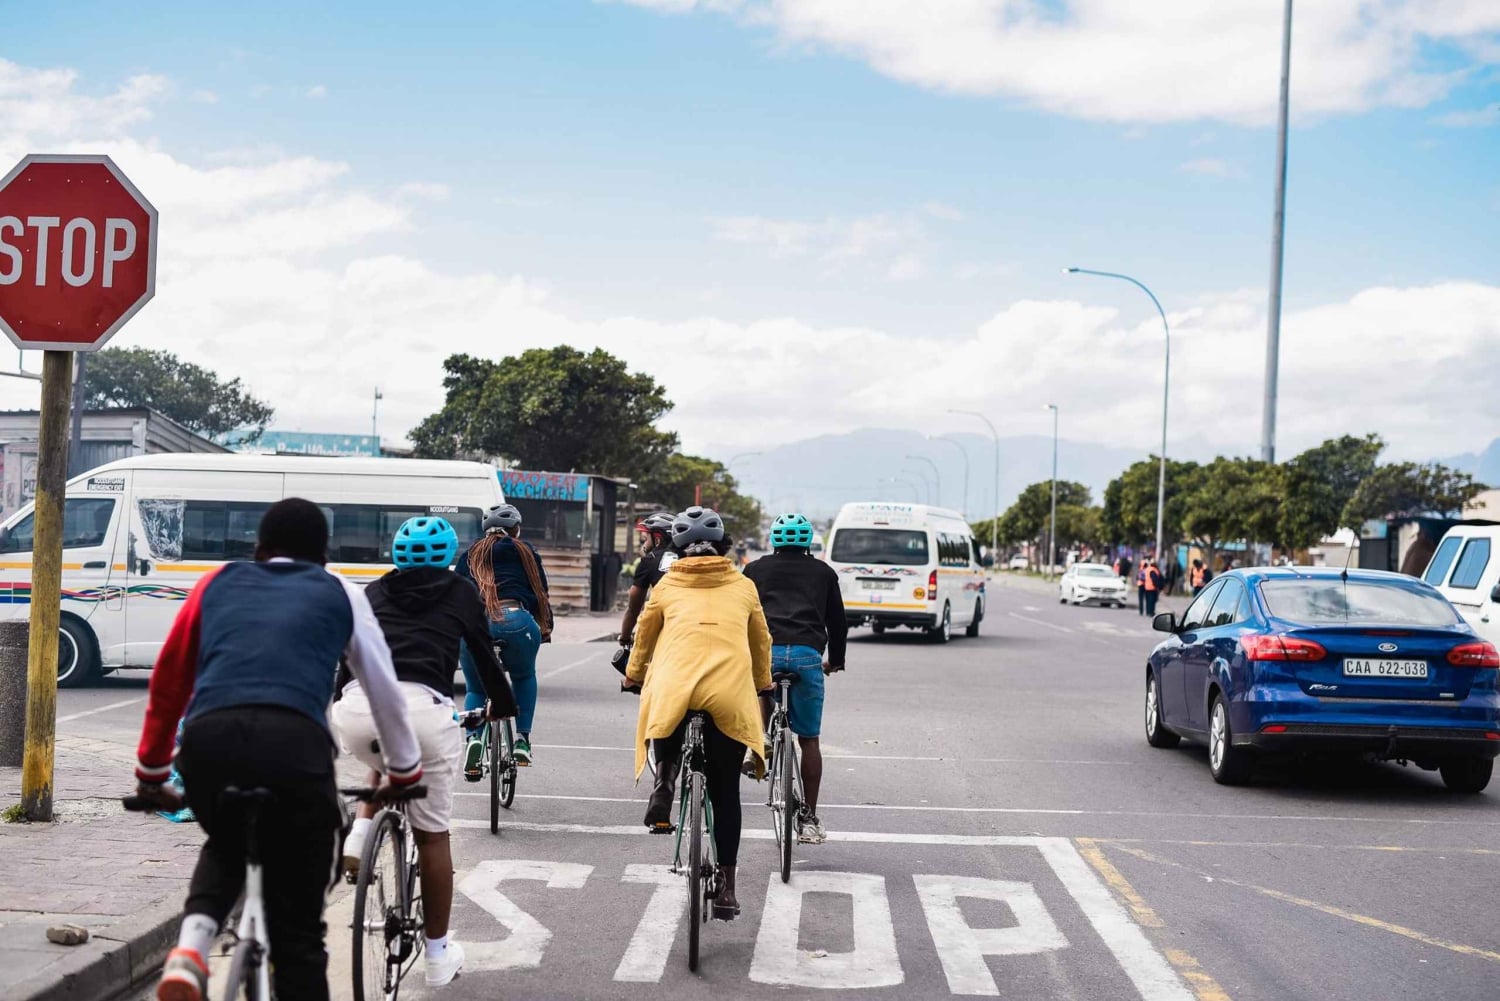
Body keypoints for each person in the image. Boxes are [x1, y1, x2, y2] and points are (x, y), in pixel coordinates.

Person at [132, 499, 423, 1001]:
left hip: (208, 741)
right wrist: (403, 769)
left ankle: (191, 948)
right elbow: (383, 689)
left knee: (226, 838)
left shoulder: (216, 582)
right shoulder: (340, 592)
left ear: (259, 548)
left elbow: (170, 679)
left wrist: (152, 772)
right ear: (324, 556)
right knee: (300, 930)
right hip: (295, 746)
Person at [332, 516, 518, 988]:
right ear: (447, 555)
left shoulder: (373, 593)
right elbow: (482, 656)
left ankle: (360, 831)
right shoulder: (461, 593)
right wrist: (504, 707)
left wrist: (339, 702)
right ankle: (437, 954)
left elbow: (346, 658)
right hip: (423, 710)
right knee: (433, 836)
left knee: (386, 753)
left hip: (358, 708)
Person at [623, 506, 772, 920]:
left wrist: (633, 676)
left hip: (677, 684)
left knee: (666, 705)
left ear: (678, 549)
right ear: (723, 547)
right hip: (728, 692)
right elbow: (761, 643)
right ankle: (726, 888)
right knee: (726, 793)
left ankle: (666, 779)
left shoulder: (667, 586)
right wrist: (763, 683)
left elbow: (644, 638)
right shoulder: (743, 586)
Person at [742, 512, 847, 845]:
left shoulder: (754, 570)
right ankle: (809, 819)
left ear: (774, 540)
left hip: (766, 652)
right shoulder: (823, 573)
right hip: (807, 655)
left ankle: (761, 737)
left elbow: (742, 615)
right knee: (809, 741)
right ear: (807, 542)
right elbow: (838, 623)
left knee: (760, 680)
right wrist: (836, 662)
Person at [457, 503, 552, 772]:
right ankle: (522, 740)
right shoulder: (526, 551)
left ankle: (473, 739)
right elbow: (541, 593)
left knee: (476, 688)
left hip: (477, 626)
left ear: (485, 530)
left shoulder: (470, 554)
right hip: (518, 620)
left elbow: (457, 593)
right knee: (524, 676)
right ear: (517, 529)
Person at [617, 511, 679, 646]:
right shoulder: (686, 558)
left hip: (662, 633)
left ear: (657, 539)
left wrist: (625, 638)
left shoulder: (649, 561)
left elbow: (633, 609)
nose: (644, 544)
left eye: (646, 539)